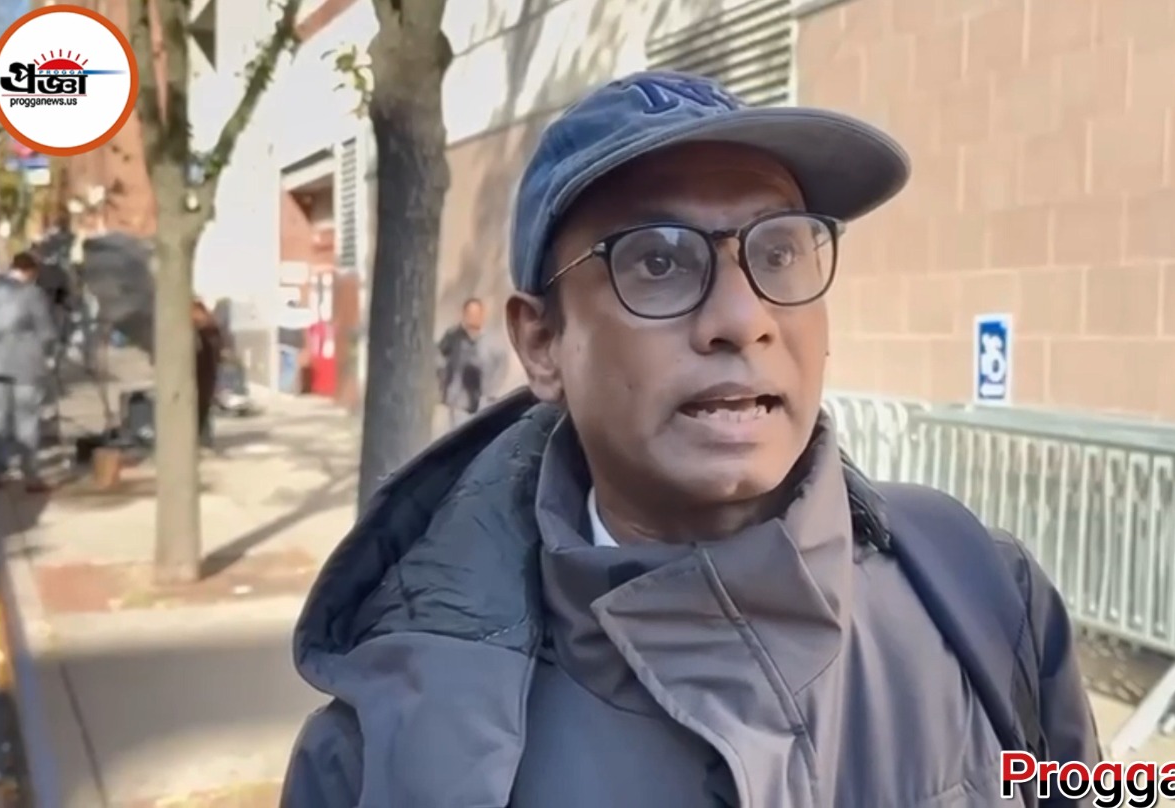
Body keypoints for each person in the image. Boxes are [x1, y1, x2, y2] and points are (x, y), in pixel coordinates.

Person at [282, 71, 1099, 807]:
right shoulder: (379, 760)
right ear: (540, 344)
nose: (742, 319)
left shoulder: (983, 594)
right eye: (659, 262)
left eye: (778, 250)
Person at [0, 252, 57, 492]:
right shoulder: (32, 294)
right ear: (31, 272)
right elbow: (46, 331)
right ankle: (30, 475)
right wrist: (50, 353)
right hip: (25, 365)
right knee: (26, 419)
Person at [436, 297, 509, 427]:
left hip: (484, 401)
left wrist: (493, 390)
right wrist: (444, 383)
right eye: (470, 314)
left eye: (476, 314)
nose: (473, 318)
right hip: (459, 401)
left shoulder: (492, 341)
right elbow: (439, 356)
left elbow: (502, 365)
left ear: (482, 315)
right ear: (464, 315)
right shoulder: (453, 336)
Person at [191, 299, 224, 450]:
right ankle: (202, 440)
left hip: (204, 373)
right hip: (203, 374)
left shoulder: (207, 330)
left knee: (201, 406)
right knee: (201, 406)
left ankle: (202, 440)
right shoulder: (208, 330)